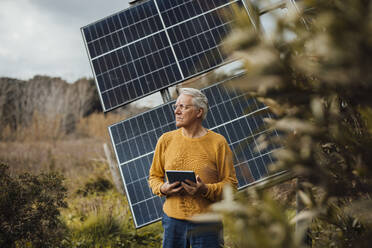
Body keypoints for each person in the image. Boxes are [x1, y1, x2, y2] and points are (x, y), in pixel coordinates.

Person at [148, 88, 238, 248]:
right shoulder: (166, 140)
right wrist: (163, 188)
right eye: (176, 107)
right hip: (172, 222)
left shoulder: (218, 143)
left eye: (183, 107)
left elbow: (231, 185)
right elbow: (154, 177)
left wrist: (204, 189)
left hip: (207, 224)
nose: (176, 111)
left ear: (199, 112)